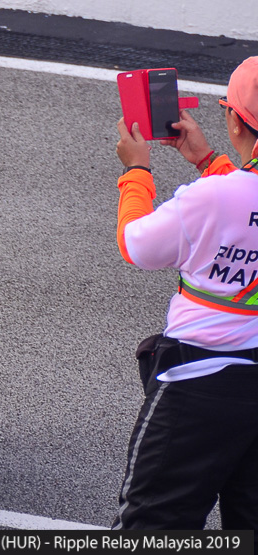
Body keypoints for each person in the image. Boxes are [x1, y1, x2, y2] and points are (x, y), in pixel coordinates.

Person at [110, 57, 258, 530]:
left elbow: (136, 244)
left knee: (152, 528)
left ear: (236, 122)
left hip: (198, 385)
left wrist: (137, 171)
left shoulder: (210, 198)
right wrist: (207, 160)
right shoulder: (221, 192)